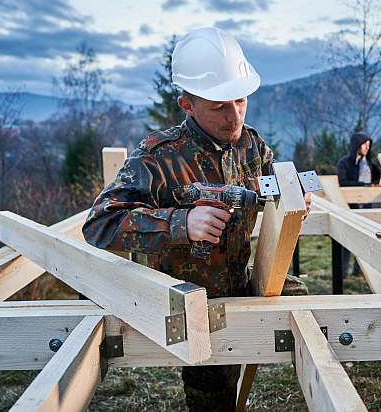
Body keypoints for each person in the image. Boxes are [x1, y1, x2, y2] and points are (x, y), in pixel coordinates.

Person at [82, 27, 307, 412]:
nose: (233, 115)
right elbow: (99, 224)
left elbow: (273, 191)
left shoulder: (251, 145)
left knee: (306, 311)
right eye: (219, 105)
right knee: (212, 398)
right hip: (190, 306)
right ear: (187, 103)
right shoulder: (159, 157)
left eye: (240, 99)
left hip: (241, 284)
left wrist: (293, 201)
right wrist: (179, 224)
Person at [336, 132, 381, 275]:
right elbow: (342, 183)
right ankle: (342, 271)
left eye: (369, 145)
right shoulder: (344, 162)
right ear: (357, 145)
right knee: (347, 240)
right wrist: (363, 185)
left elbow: (375, 180)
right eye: (364, 144)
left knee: (366, 238)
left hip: (367, 205)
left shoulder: (369, 164)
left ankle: (359, 271)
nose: (367, 148)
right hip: (350, 206)